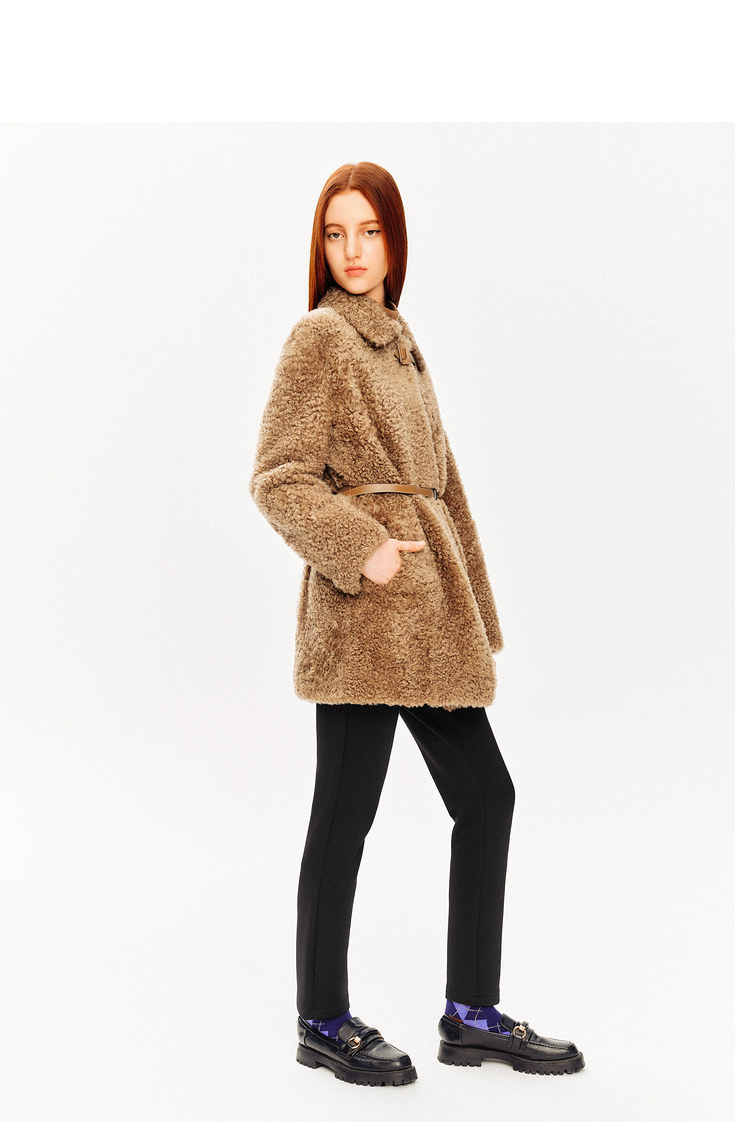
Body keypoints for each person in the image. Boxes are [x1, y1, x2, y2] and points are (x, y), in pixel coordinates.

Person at [249, 162, 584, 1086]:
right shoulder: (319, 338)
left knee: (487, 796)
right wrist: (362, 548)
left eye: (369, 231)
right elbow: (276, 479)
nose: (352, 250)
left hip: (431, 621)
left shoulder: (400, 342)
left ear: (395, 241)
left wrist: (476, 611)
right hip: (363, 619)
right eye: (335, 233)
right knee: (345, 815)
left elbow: (445, 488)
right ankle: (323, 1020)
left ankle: (470, 1015)